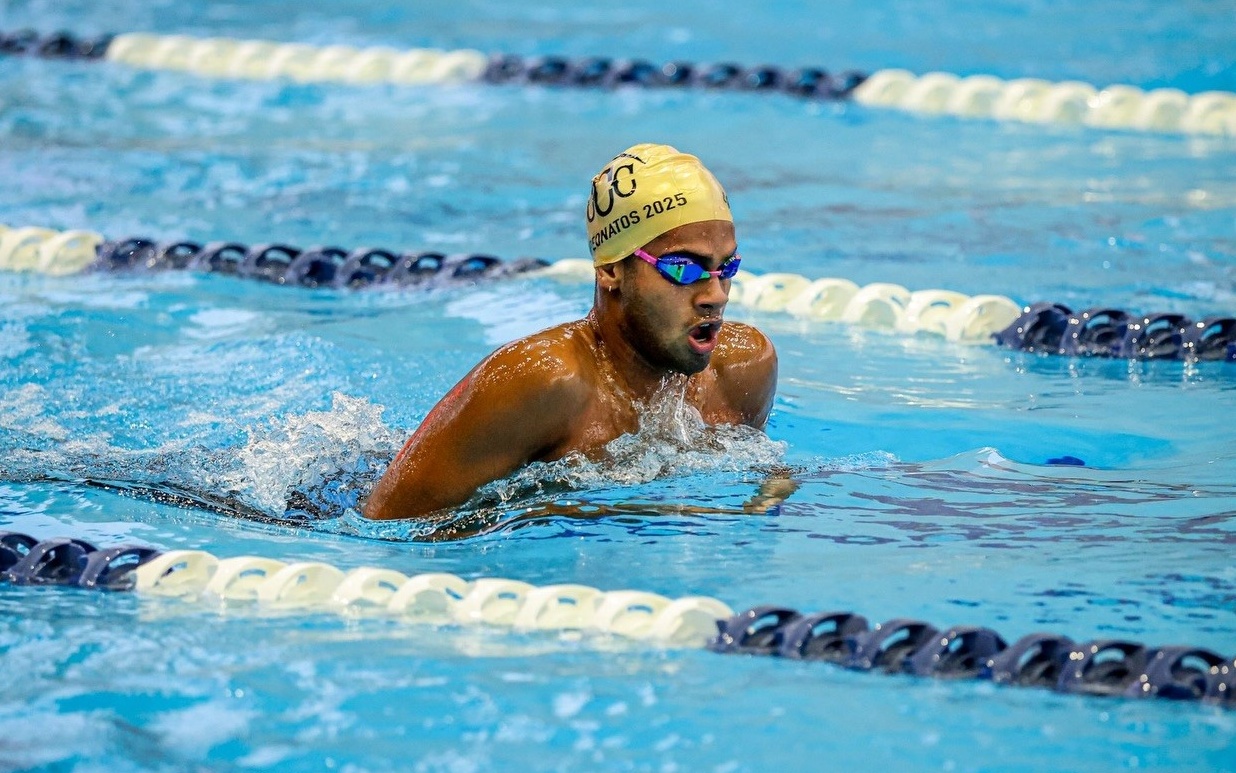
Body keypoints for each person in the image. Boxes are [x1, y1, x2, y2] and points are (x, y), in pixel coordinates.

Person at [362, 143, 778, 521]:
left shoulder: (743, 368)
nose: (715, 294)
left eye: (727, 268)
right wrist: (547, 512)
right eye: (682, 268)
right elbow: (388, 524)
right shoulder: (543, 381)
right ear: (611, 268)